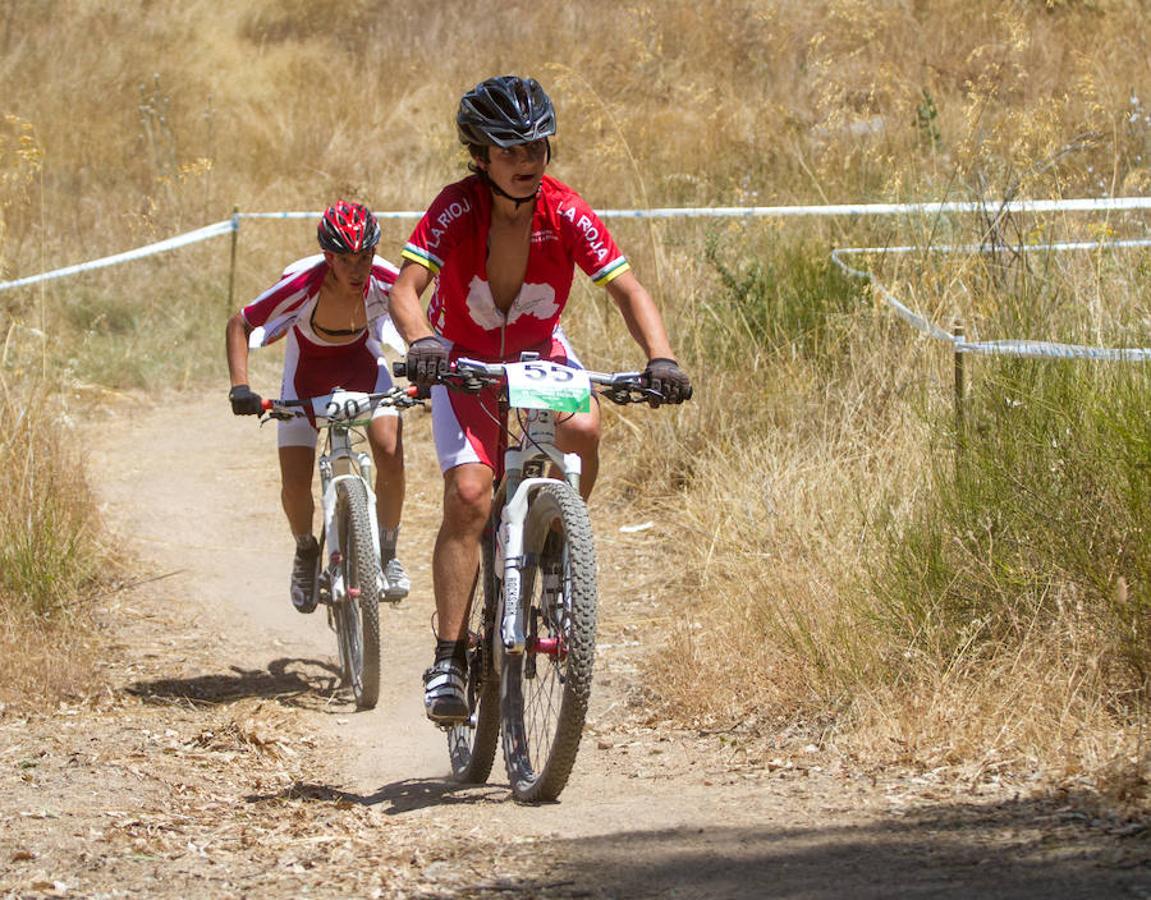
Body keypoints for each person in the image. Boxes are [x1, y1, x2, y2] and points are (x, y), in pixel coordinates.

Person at [388, 75, 692, 723]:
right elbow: (405, 290)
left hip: (536, 354)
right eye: (509, 152)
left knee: (583, 428)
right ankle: (447, 656)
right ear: (478, 155)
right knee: (469, 495)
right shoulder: (456, 205)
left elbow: (628, 290)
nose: (527, 164)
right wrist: (421, 343)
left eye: (536, 149)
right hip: (463, 360)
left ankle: (555, 542)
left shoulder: (565, 208)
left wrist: (660, 357)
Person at [225, 201, 411, 612]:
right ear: (328, 257)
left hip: (363, 364)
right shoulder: (302, 285)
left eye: (365, 256)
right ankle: (306, 549)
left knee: (390, 450)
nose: (357, 269)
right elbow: (240, 323)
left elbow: (429, 315)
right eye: (345, 259)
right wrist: (241, 387)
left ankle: (389, 550)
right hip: (306, 374)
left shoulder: (385, 280)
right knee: (295, 481)